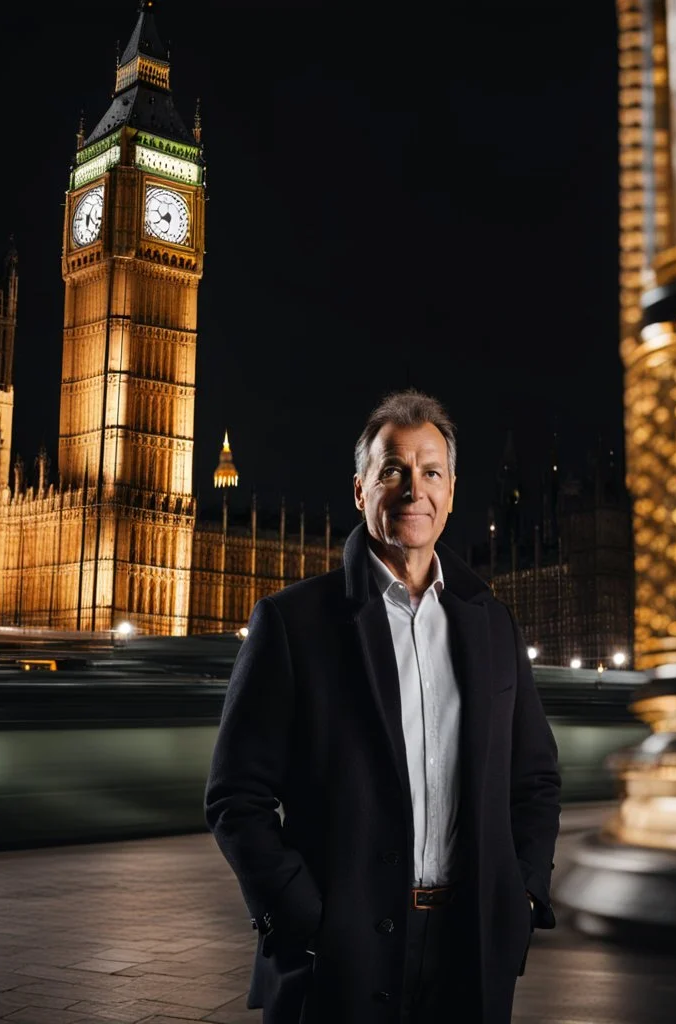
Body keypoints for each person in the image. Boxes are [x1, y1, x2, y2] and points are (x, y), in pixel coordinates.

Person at [205, 389, 562, 1024]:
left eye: (430, 472)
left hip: (471, 954)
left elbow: (533, 780)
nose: (412, 489)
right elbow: (236, 796)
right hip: (337, 963)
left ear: (451, 492)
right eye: (392, 469)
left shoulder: (492, 625)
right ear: (360, 489)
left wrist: (523, 896)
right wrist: (305, 920)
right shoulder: (293, 622)